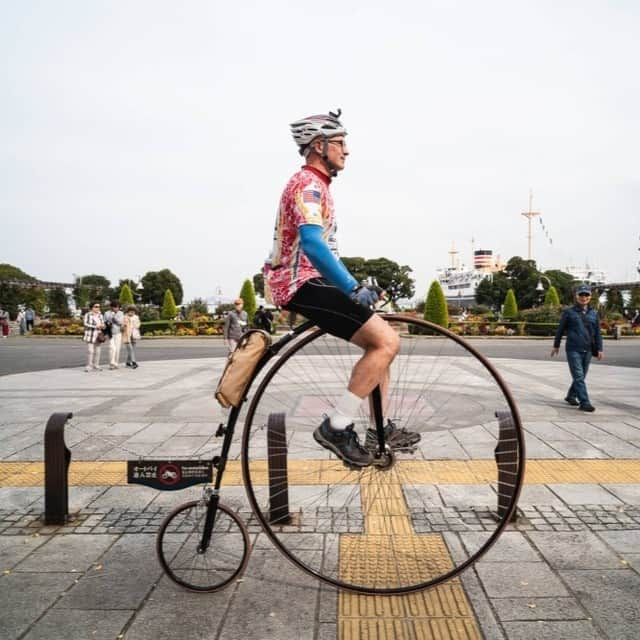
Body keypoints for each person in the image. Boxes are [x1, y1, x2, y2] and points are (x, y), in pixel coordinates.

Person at [263, 109, 419, 468]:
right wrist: (351, 286)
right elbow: (313, 246)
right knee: (387, 341)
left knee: (381, 344)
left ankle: (378, 429)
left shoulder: (318, 186)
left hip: (308, 280)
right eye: (340, 143)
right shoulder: (308, 185)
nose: (346, 151)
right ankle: (336, 426)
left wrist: (355, 287)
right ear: (319, 146)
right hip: (301, 283)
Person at [551, 284, 603, 412]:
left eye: (586, 295)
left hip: (589, 349)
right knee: (579, 376)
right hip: (573, 349)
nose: (584, 297)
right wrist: (556, 345)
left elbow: (597, 332)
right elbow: (560, 330)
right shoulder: (569, 312)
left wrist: (600, 348)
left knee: (581, 376)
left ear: (590, 297)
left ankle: (571, 396)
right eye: (581, 295)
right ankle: (585, 402)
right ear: (576, 296)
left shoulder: (594, 313)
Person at [83, 302, 106, 372]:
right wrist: (95, 326)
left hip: (98, 334)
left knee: (98, 351)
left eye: (98, 306)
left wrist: (103, 326)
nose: (97, 308)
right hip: (90, 334)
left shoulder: (100, 315)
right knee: (90, 351)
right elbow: (85, 324)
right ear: (92, 307)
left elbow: (103, 323)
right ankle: (89, 365)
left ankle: (96, 365)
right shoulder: (88, 315)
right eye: (96, 306)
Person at [104, 301, 124, 369]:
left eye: (118, 307)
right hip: (110, 333)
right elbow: (105, 322)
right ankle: (111, 364)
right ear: (111, 307)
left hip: (118, 333)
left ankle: (116, 363)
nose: (116, 308)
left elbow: (120, 323)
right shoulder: (106, 313)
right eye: (115, 307)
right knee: (112, 348)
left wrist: (114, 318)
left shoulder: (121, 313)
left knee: (117, 349)